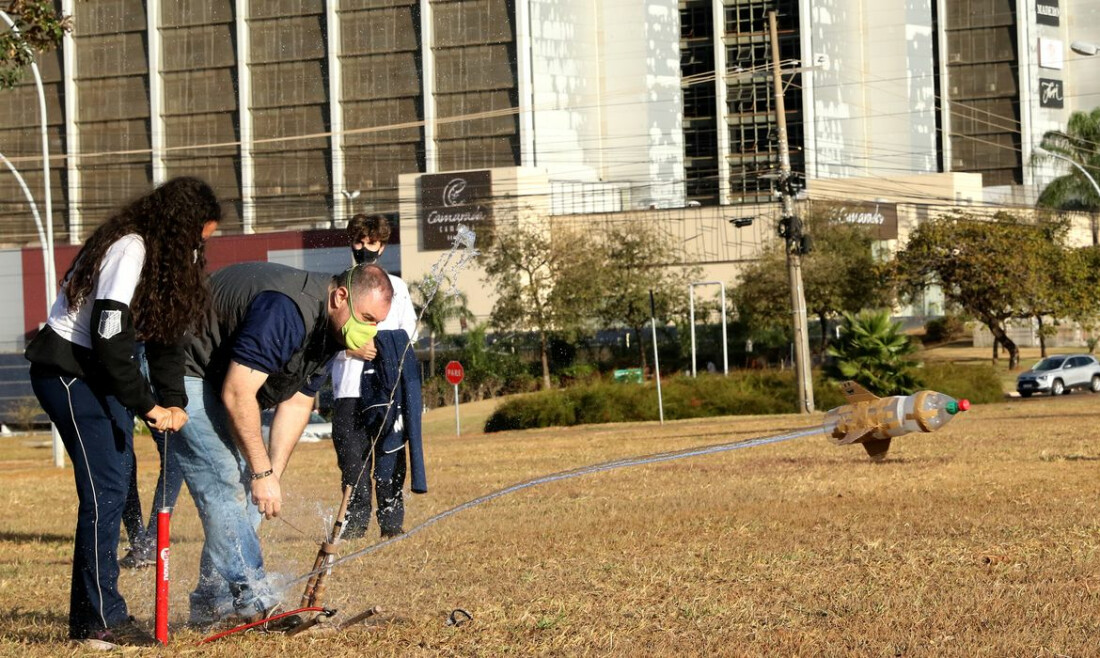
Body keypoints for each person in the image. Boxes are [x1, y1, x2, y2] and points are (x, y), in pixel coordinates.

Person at [24, 176, 221, 647]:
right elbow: (111, 338)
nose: (199, 252)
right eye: (196, 240)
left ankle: (90, 616)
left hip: (103, 374)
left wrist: (174, 401)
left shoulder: (167, 265)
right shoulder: (130, 249)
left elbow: (167, 341)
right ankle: (100, 621)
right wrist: (148, 406)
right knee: (106, 489)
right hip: (69, 371)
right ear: (178, 229)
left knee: (115, 480)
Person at [174, 261, 393, 627]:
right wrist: (260, 471)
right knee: (225, 480)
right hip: (183, 368)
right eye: (368, 318)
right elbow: (238, 392)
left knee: (247, 487)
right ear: (341, 296)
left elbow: (297, 400)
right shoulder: (287, 310)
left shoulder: (332, 329)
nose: (370, 333)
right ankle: (255, 599)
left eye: (377, 324)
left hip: (221, 378)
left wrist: (271, 473)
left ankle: (211, 602)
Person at [329, 214, 421, 539]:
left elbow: (410, 333)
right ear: (350, 243)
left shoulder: (397, 287)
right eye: (359, 241)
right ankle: (353, 529)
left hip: (385, 391)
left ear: (382, 246)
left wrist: (381, 345)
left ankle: (392, 527)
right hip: (348, 392)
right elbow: (322, 334)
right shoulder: (337, 284)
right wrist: (349, 348)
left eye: (371, 242)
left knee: (390, 459)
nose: (364, 248)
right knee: (352, 464)